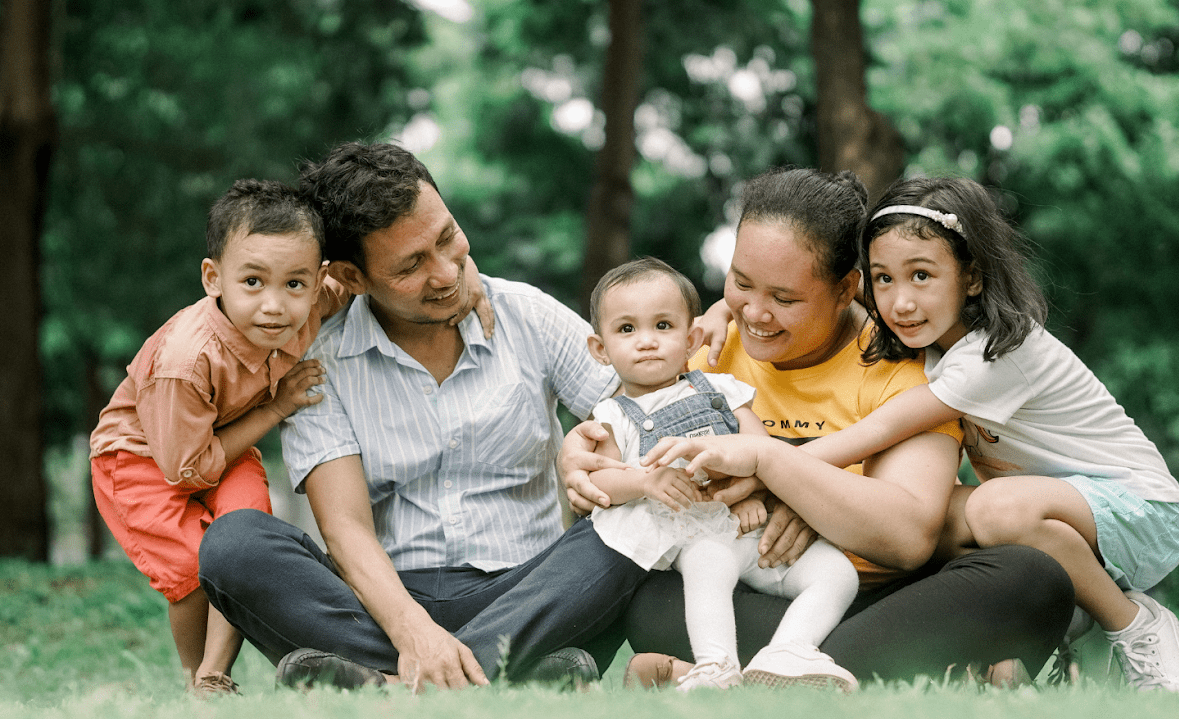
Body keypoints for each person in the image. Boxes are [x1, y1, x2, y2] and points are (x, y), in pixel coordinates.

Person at [562, 167, 1075, 687]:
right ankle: (853, 669)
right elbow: (627, 459)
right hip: (738, 586)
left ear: (846, 288)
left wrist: (784, 476)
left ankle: (753, 672)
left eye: (785, 299)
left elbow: (909, 536)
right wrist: (579, 458)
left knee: (1034, 579)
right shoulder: (706, 345)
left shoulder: (902, 363)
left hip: (879, 593)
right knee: (650, 595)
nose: (755, 313)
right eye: (740, 283)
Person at [197, 141, 648, 693]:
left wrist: (599, 451)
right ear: (351, 277)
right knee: (233, 543)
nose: (445, 273)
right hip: (385, 606)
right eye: (411, 265)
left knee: (638, 521)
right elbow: (345, 530)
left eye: (447, 238)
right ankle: (511, 677)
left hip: (530, 591)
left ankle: (388, 688)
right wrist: (415, 634)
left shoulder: (524, 316)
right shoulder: (321, 365)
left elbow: (648, 409)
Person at [789, 176, 1179, 691]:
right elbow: (823, 304)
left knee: (992, 507)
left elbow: (883, 427)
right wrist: (722, 312)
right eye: (884, 279)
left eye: (921, 275)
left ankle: (1134, 624)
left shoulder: (999, 352)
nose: (900, 301)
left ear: (973, 277)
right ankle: (1057, 628)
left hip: (1142, 510)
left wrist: (777, 467)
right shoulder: (933, 333)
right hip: (1055, 517)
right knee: (915, 515)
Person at [90, 179, 348, 696]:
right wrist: (278, 406)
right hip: (144, 459)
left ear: (317, 283)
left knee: (246, 541)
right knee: (190, 568)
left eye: (294, 285)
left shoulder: (310, 305)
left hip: (220, 445)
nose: (274, 306)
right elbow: (186, 469)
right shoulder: (186, 361)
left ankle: (215, 673)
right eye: (253, 282)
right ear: (214, 278)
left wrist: (467, 277)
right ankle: (196, 682)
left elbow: (368, 277)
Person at [584, 257, 860, 691]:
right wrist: (643, 482)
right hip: (698, 536)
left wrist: (753, 495)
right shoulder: (612, 415)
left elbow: (761, 452)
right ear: (600, 348)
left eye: (662, 326)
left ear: (692, 338)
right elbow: (599, 482)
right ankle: (717, 664)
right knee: (707, 569)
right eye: (626, 330)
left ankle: (788, 651)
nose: (646, 342)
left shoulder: (721, 390)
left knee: (838, 572)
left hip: (755, 532)